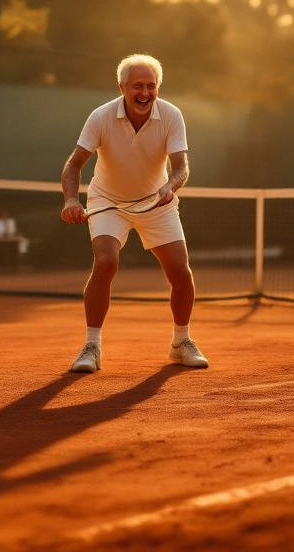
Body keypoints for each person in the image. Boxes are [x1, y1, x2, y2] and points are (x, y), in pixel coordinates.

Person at [59, 53, 208, 373]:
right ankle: (91, 346)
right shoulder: (100, 117)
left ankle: (181, 342)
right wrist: (72, 200)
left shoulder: (171, 115)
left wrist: (170, 187)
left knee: (181, 272)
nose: (145, 93)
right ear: (122, 87)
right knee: (106, 261)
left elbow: (182, 167)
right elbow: (74, 165)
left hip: (157, 203)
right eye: (137, 86)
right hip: (107, 201)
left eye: (151, 86)